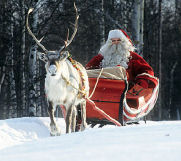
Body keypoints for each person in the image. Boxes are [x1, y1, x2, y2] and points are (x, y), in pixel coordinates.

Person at [86, 29, 157, 89]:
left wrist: (141, 83)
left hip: (125, 91)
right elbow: (88, 69)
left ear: (124, 42)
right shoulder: (101, 57)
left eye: (118, 40)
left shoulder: (132, 57)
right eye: (113, 41)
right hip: (102, 89)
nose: (116, 43)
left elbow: (146, 71)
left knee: (119, 70)